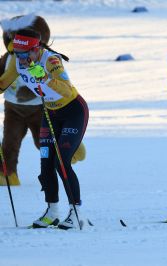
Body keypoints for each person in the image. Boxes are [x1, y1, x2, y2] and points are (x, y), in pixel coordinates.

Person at [0, 28, 89, 229]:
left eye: (26, 54)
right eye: (18, 53)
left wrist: (38, 72)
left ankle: (77, 213)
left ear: (37, 48)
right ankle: (52, 211)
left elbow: (66, 87)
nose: (21, 59)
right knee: (46, 162)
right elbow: (4, 83)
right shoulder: (17, 60)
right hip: (50, 113)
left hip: (73, 111)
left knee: (61, 162)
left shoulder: (51, 60)